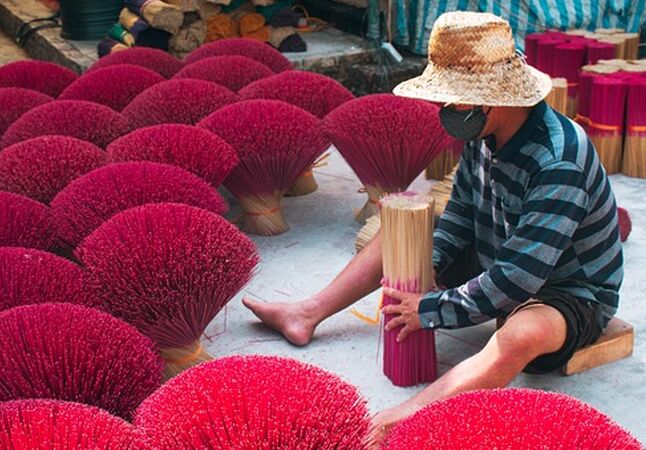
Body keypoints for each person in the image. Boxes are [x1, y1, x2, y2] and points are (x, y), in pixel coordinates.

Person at [243, 11, 623, 446]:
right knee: (401, 230)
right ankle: (307, 312)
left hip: (567, 290)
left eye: (452, 98)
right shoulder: (484, 133)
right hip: (497, 251)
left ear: (495, 97)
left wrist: (431, 309)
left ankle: (399, 421)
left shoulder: (558, 160)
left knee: (521, 335)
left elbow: (518, 279)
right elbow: (460, 214)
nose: (443, 109)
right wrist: (428, 265)